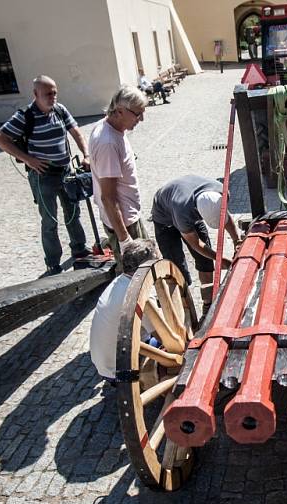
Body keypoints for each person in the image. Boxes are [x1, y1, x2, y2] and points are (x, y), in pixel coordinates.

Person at [0, 75, 90, 276]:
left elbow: (76, 132)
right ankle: (53, 262)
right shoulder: (25, 116)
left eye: (54, 92)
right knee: (50, 221)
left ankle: (79, 249)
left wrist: (86, 154)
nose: (52, 97)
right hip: (43, 175)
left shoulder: (60, 110)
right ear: (36, 94)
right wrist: (28, 159)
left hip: (65, 171)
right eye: (47, 94)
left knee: (73, 212)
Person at [151, 175, 240, 313]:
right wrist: (221, 260)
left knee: (205, 262)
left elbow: (226, 217)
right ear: (197, 211)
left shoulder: (221, 192)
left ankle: (208, 303)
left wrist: (236, 241)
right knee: (176, 267)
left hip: (187, 205)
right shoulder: (183, 211)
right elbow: (196, 244)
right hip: (165, 220)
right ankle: (183, 305)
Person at [89, 86, 148, 273]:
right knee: (136, 276)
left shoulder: (112, 130)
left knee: (146, 268)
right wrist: (124, 240)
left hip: (129, 217)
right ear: (120, 111)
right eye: (138, 114)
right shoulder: (108, 142)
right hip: (125, 224)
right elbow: (108, 197)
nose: (141, 119)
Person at [90, 238, 159, 383]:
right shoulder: (141, 295)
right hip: (122, 373)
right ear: (147, 267)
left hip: (104, 367)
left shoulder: (118, 282)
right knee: (160, 344)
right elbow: (161, 334)